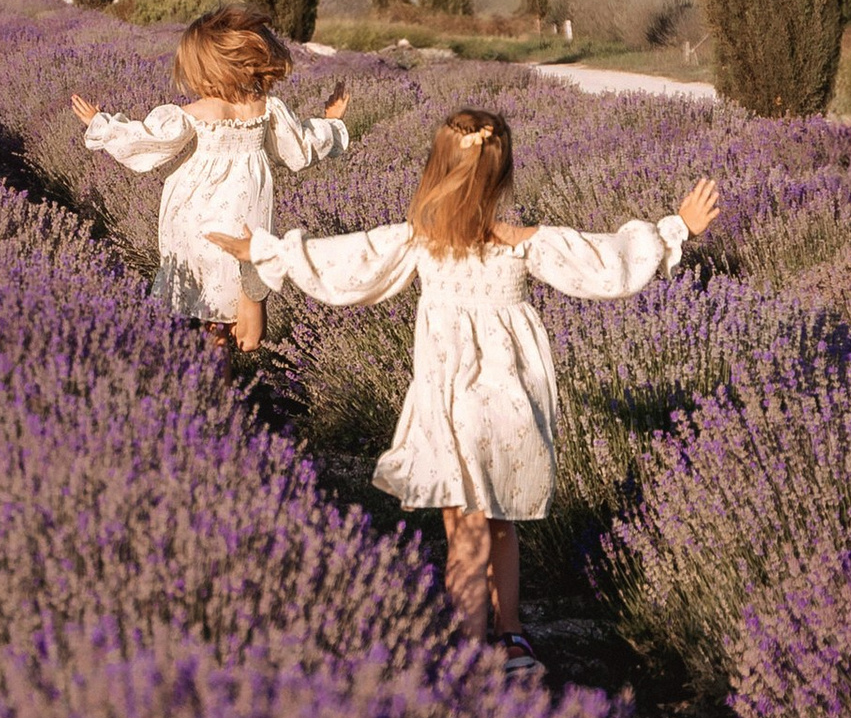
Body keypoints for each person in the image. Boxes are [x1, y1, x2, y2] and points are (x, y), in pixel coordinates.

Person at [208, 107, 717, 677]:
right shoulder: (524, 243)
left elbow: (347, 264)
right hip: (513, 408)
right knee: (498, 523)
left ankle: (470, 653)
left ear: (437, 171)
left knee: (464, 533)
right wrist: (676, 229)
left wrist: (266, 252)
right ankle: (512, 635)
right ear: (502, 177)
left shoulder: (420, 243)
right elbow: (605, 263)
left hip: (451, 410)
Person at [74, 4, 352, 353]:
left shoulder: (196, 112)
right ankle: (249, 302)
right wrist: (331, 121)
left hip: (197, 218)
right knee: (239, 295)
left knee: (210, 309)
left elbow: (147, 141)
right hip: (247, 214)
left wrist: (102, 125)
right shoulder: (266, 107)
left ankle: (213, 367)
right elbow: (298, 149)